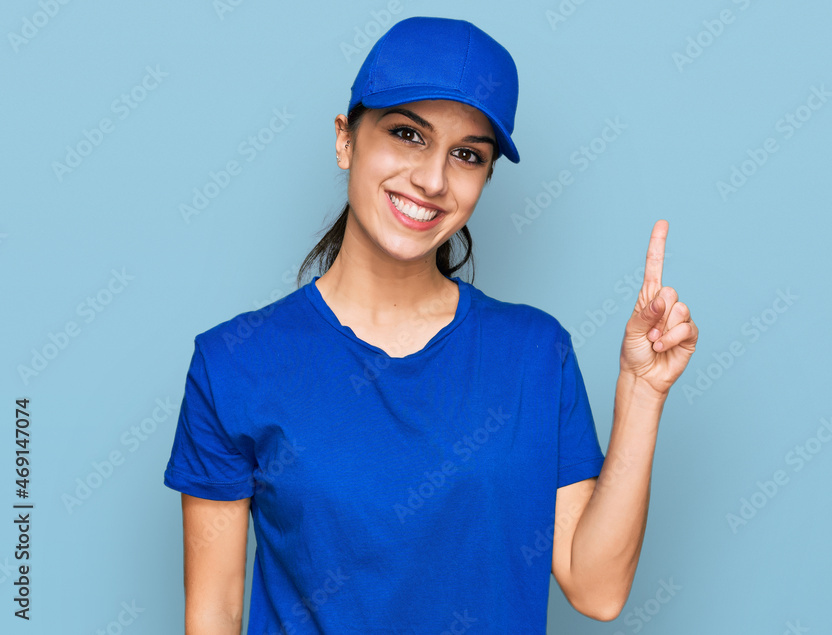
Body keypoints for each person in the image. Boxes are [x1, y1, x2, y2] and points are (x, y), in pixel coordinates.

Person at [163, 15, 698, 634]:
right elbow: (215, 613)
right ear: (345, 139)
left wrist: (642, 393)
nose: (433, 179)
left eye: (467, 154)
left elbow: (598, 589)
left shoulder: (534, 353)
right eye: (407, 134)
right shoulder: (234, 363)